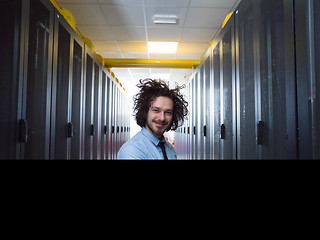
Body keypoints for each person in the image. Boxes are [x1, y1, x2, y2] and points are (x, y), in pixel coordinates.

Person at [117, 78, 188, 160]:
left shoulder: (170, 149)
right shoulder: (131, 151)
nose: (162, 118)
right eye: (156, 110)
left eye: (168, 112)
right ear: (145, 112)